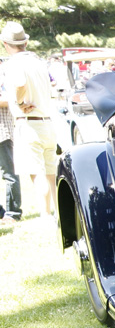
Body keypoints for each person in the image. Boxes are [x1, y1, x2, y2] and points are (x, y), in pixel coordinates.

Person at [2, 21, 57, 220]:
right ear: (25, 42)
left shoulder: (15, 63)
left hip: (28, 121)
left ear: (6, 44)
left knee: (36, 171)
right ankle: (59, 210)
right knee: (50, 170)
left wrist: (18, 101)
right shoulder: (38, 61)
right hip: (47, 121)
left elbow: (20, 83)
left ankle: (45, 213)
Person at [0, 72, 20, 223]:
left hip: (2, 134)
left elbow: (11, 100)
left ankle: (12, 213)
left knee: (10, 175)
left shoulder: (5, 78)